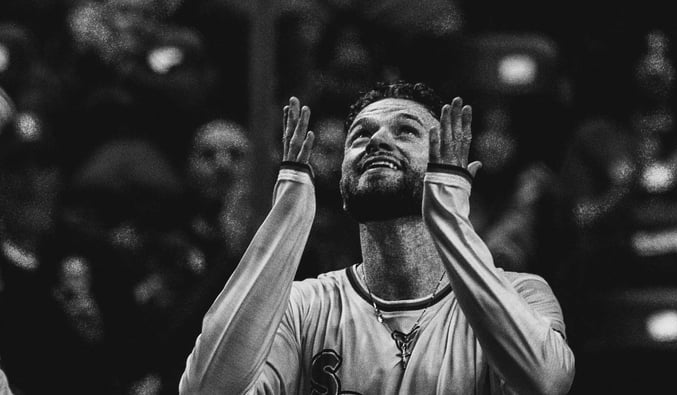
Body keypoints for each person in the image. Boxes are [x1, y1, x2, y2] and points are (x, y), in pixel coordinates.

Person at [180, 81, 575, 394]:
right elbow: (207, 389)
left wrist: (450, 215)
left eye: (406, 130)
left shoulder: (521, 293)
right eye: (360, 135)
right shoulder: (303, 307)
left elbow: (544, 381)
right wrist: (289, 216)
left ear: (453, 169)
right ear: (342, 179)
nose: (377, 140)